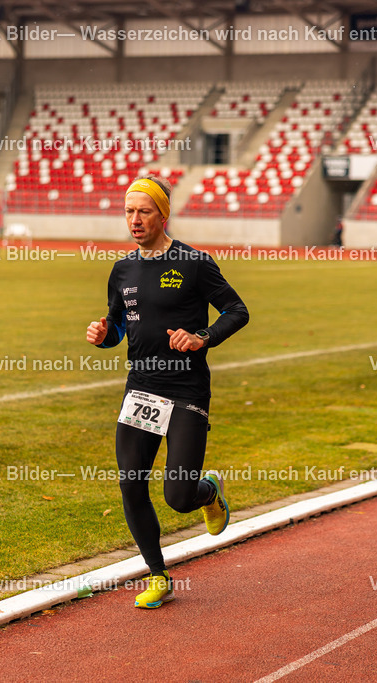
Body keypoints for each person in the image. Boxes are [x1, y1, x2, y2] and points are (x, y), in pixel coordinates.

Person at [85, 175, 250, 609]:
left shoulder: (194, 263)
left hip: (186, 389)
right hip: (141, 389)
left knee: (178, 496)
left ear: (163, 214)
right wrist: (103, 334)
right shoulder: (122, 270)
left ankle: (207, 492)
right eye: (128, 211)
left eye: (143, 212)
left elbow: (237, 310)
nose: (134, 220)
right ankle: (158, 575)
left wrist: (203, 337)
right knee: (130, 484)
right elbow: (118, 326)